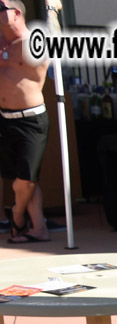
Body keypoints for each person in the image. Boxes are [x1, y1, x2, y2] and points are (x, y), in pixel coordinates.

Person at [0, 0, 51, 244]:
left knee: (26, 179)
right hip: (4, 118)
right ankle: (39, 227)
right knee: (20, 177)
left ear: (16, 13)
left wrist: (52, 10)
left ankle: (17, 216)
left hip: (31, 118)